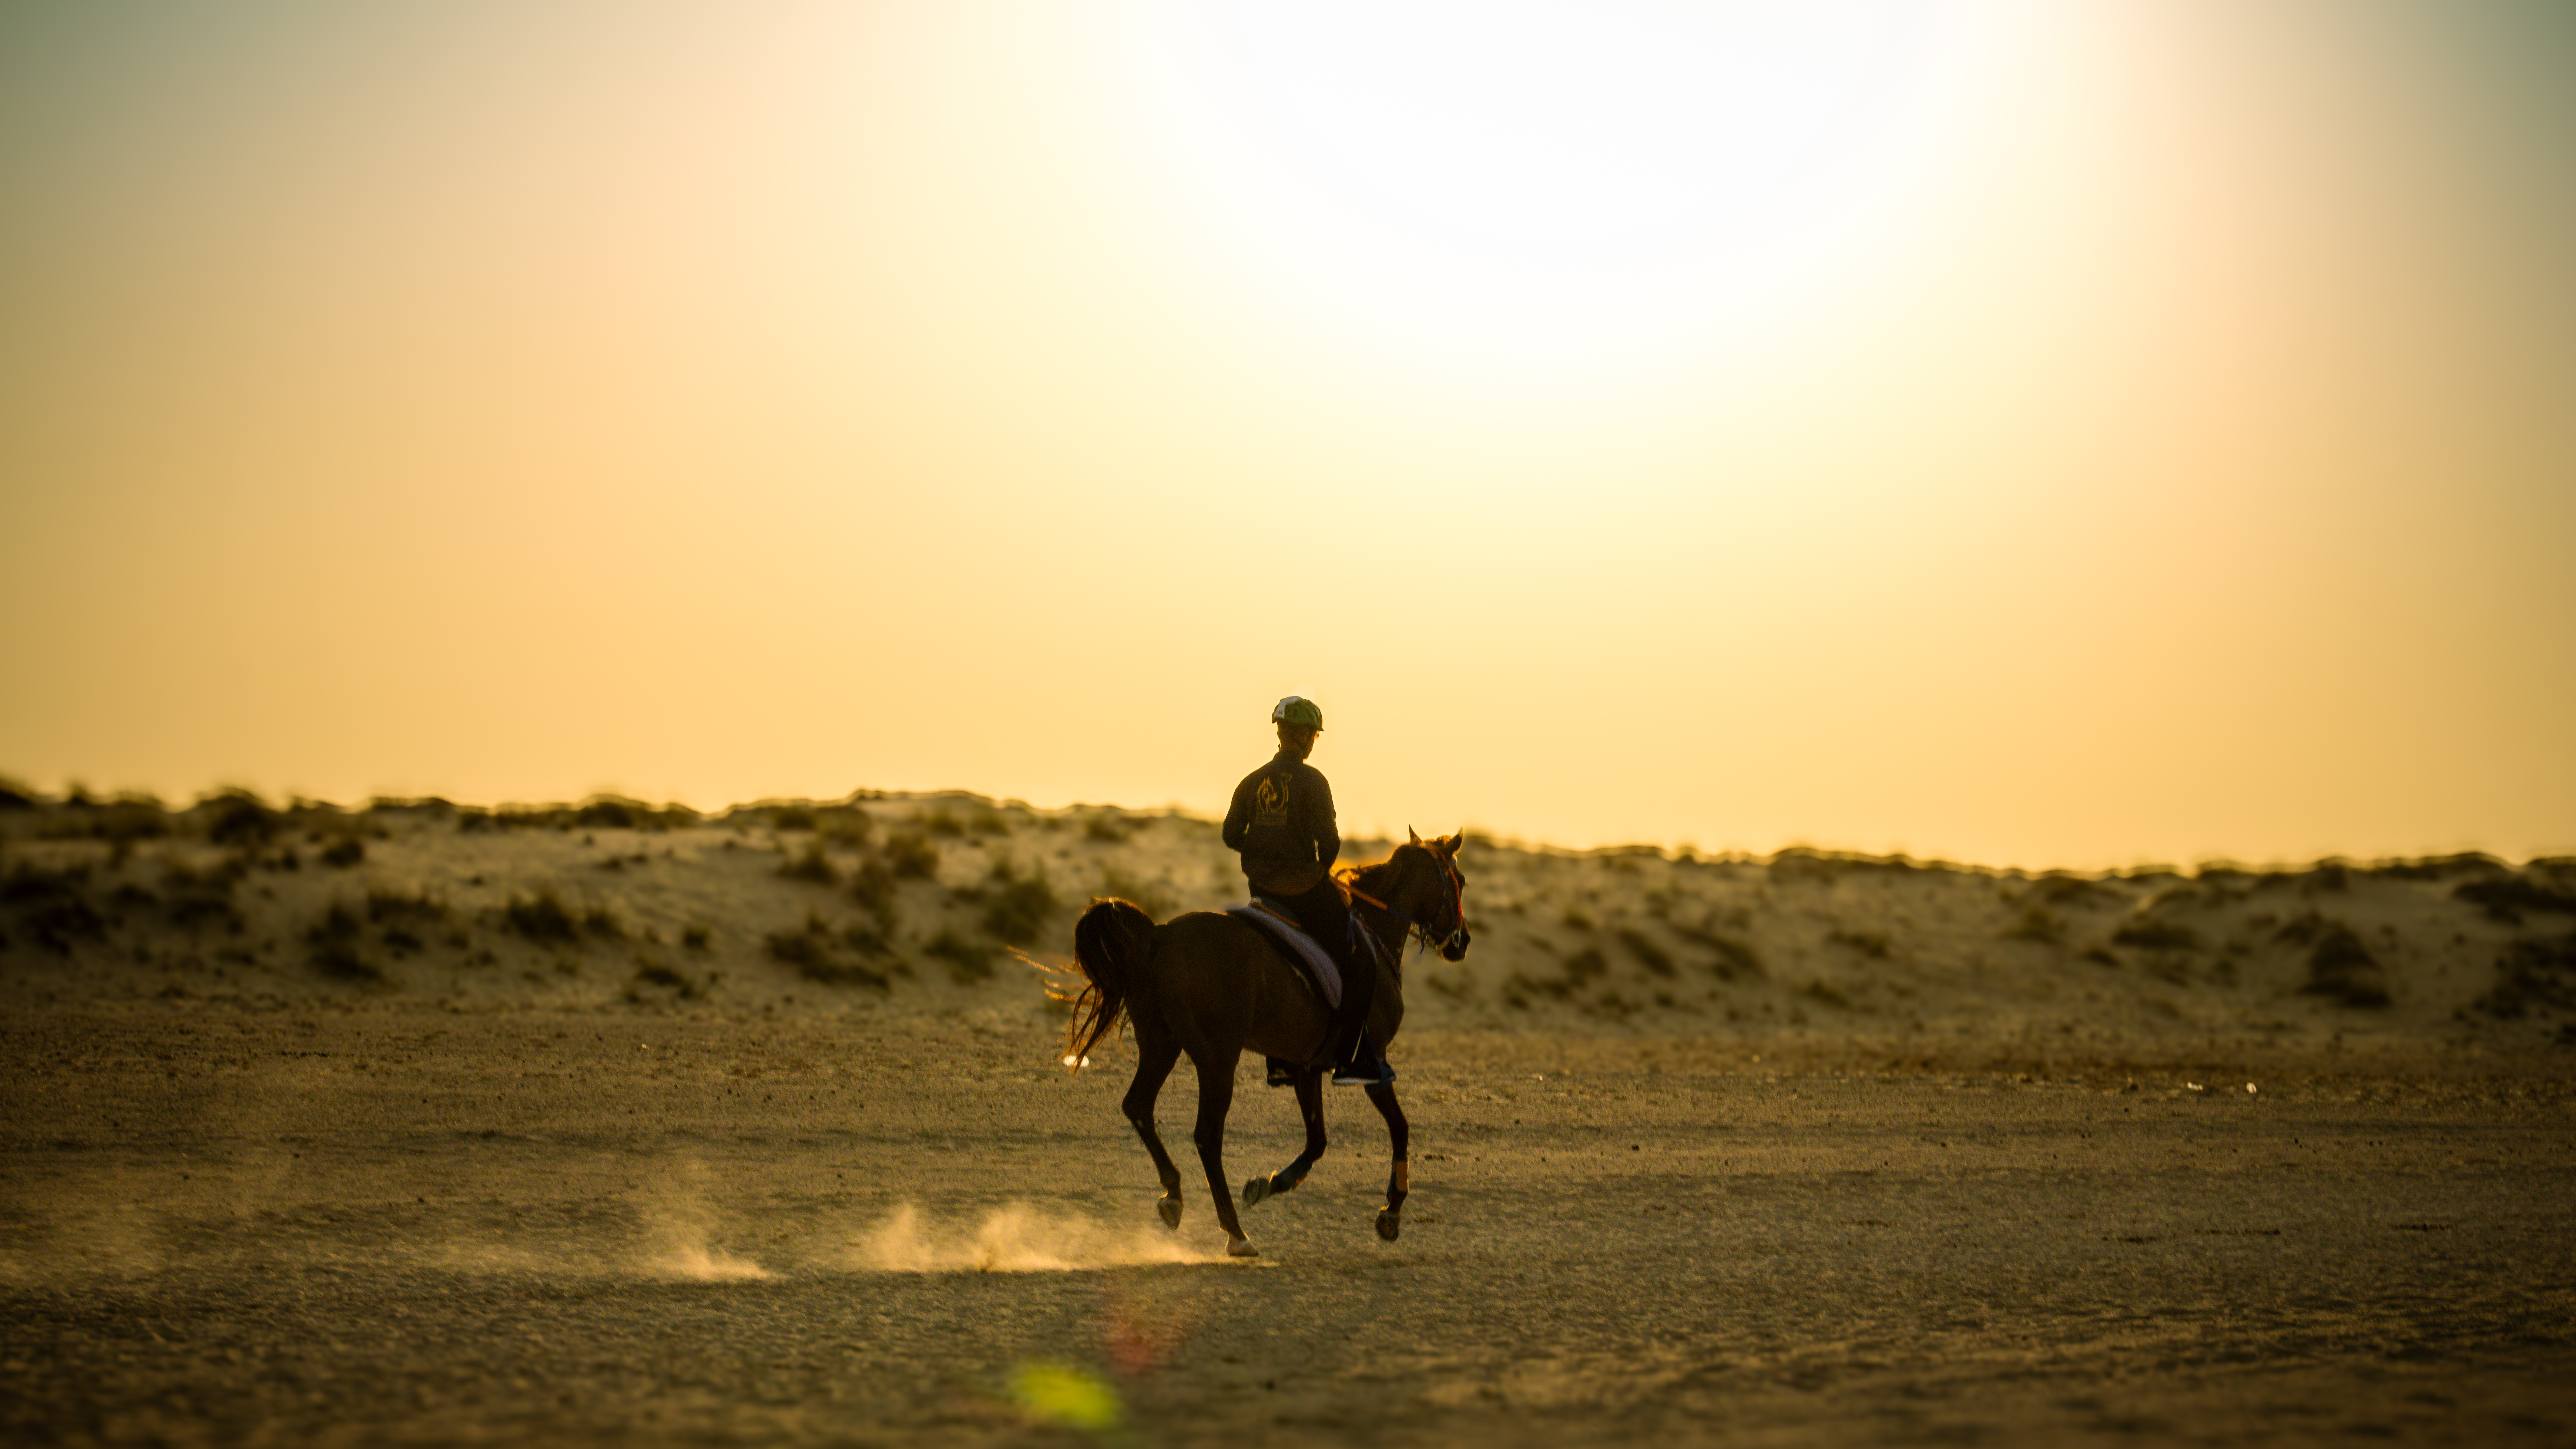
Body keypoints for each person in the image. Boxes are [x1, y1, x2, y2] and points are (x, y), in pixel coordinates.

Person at [1221, 695, 1388, 1086]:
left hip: (1261, 891)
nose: (1314, 741)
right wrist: (1316, 870)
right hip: (1304, 890)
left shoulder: (1251, 782)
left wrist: (1262, 853)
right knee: (1361, 963)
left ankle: (1278, 1062)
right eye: (1313, 734)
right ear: (1301, 735)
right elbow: (1329, 844)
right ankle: (1349, 1060)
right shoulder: (1314, 782)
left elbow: (1231, 835)